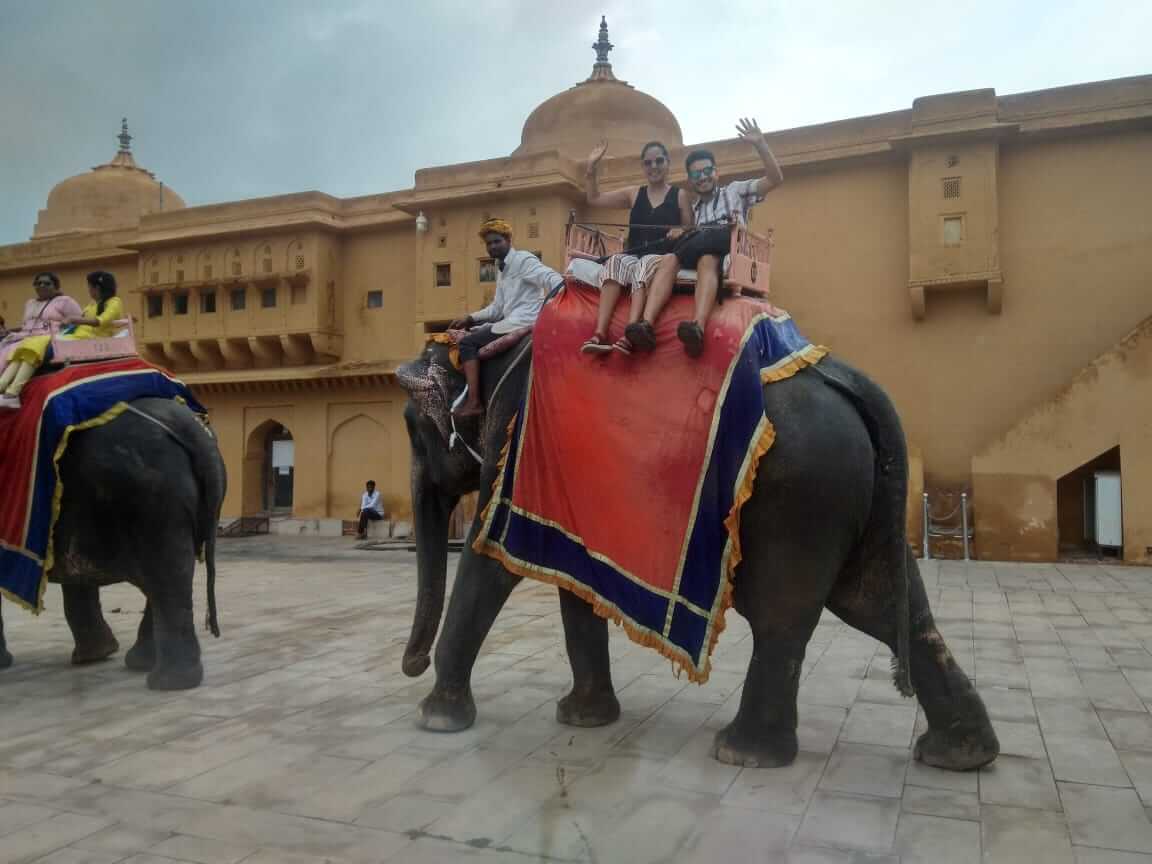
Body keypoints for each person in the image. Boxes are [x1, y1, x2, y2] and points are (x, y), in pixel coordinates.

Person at [625, 117, 784, 357]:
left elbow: (775, 179)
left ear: (716, 173)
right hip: (700, 250)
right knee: (672, 258)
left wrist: (761, 144)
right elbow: (691, 233)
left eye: (707, 171)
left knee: (709, 248)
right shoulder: (696, 208)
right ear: (690, 179)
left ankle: (697, 325)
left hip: (727, 248)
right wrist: (684, 231)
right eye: (696, 174)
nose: (703, 177)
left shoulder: (735, 191)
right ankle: (646, 324)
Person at [580, 140, 692, 356]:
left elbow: (690, 227)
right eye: (648, 163)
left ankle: (630, 332)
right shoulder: (633, 194)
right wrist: (591, 168)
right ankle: (600, 333)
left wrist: (681, 230)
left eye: (659, 161)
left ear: (668, 163)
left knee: (643, 265)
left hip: (662, 257)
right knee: (614, 262)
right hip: (634, 253)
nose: (654, 166)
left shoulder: (680, 195)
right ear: (643, 166)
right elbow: (594, 199)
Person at [449, 218, 563, 417]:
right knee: (473, 331)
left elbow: (551, 278)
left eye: (497, 241)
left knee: (467, 343)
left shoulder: (523, 260)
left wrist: (558, 302)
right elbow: (497, 308)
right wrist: (470, 318)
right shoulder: (501, 267)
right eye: (489, 243)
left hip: (522, 321)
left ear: (508, 240)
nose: (492, 246)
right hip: (508, 320)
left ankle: (474, 402)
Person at [0, 271, 124, 409]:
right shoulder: (92, 304)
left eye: (89, 287)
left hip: (90, 340)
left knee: (39, 342)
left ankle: (13, 392)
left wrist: (72, 319)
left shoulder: (114, 302)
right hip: (75, 337)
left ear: (97, 288)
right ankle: (5, 386)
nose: (89, 290)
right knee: (30, 343)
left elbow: (100, 321)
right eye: (38, 283)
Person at [0, 272, 84, 369]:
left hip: (46, 340)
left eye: (47, 283)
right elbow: (26, 325)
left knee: (13, 350)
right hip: (24, 337)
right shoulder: (30, 303)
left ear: (56, 287)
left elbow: (80, 322)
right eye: (38, 283)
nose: (42, 286)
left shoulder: (65, 301)